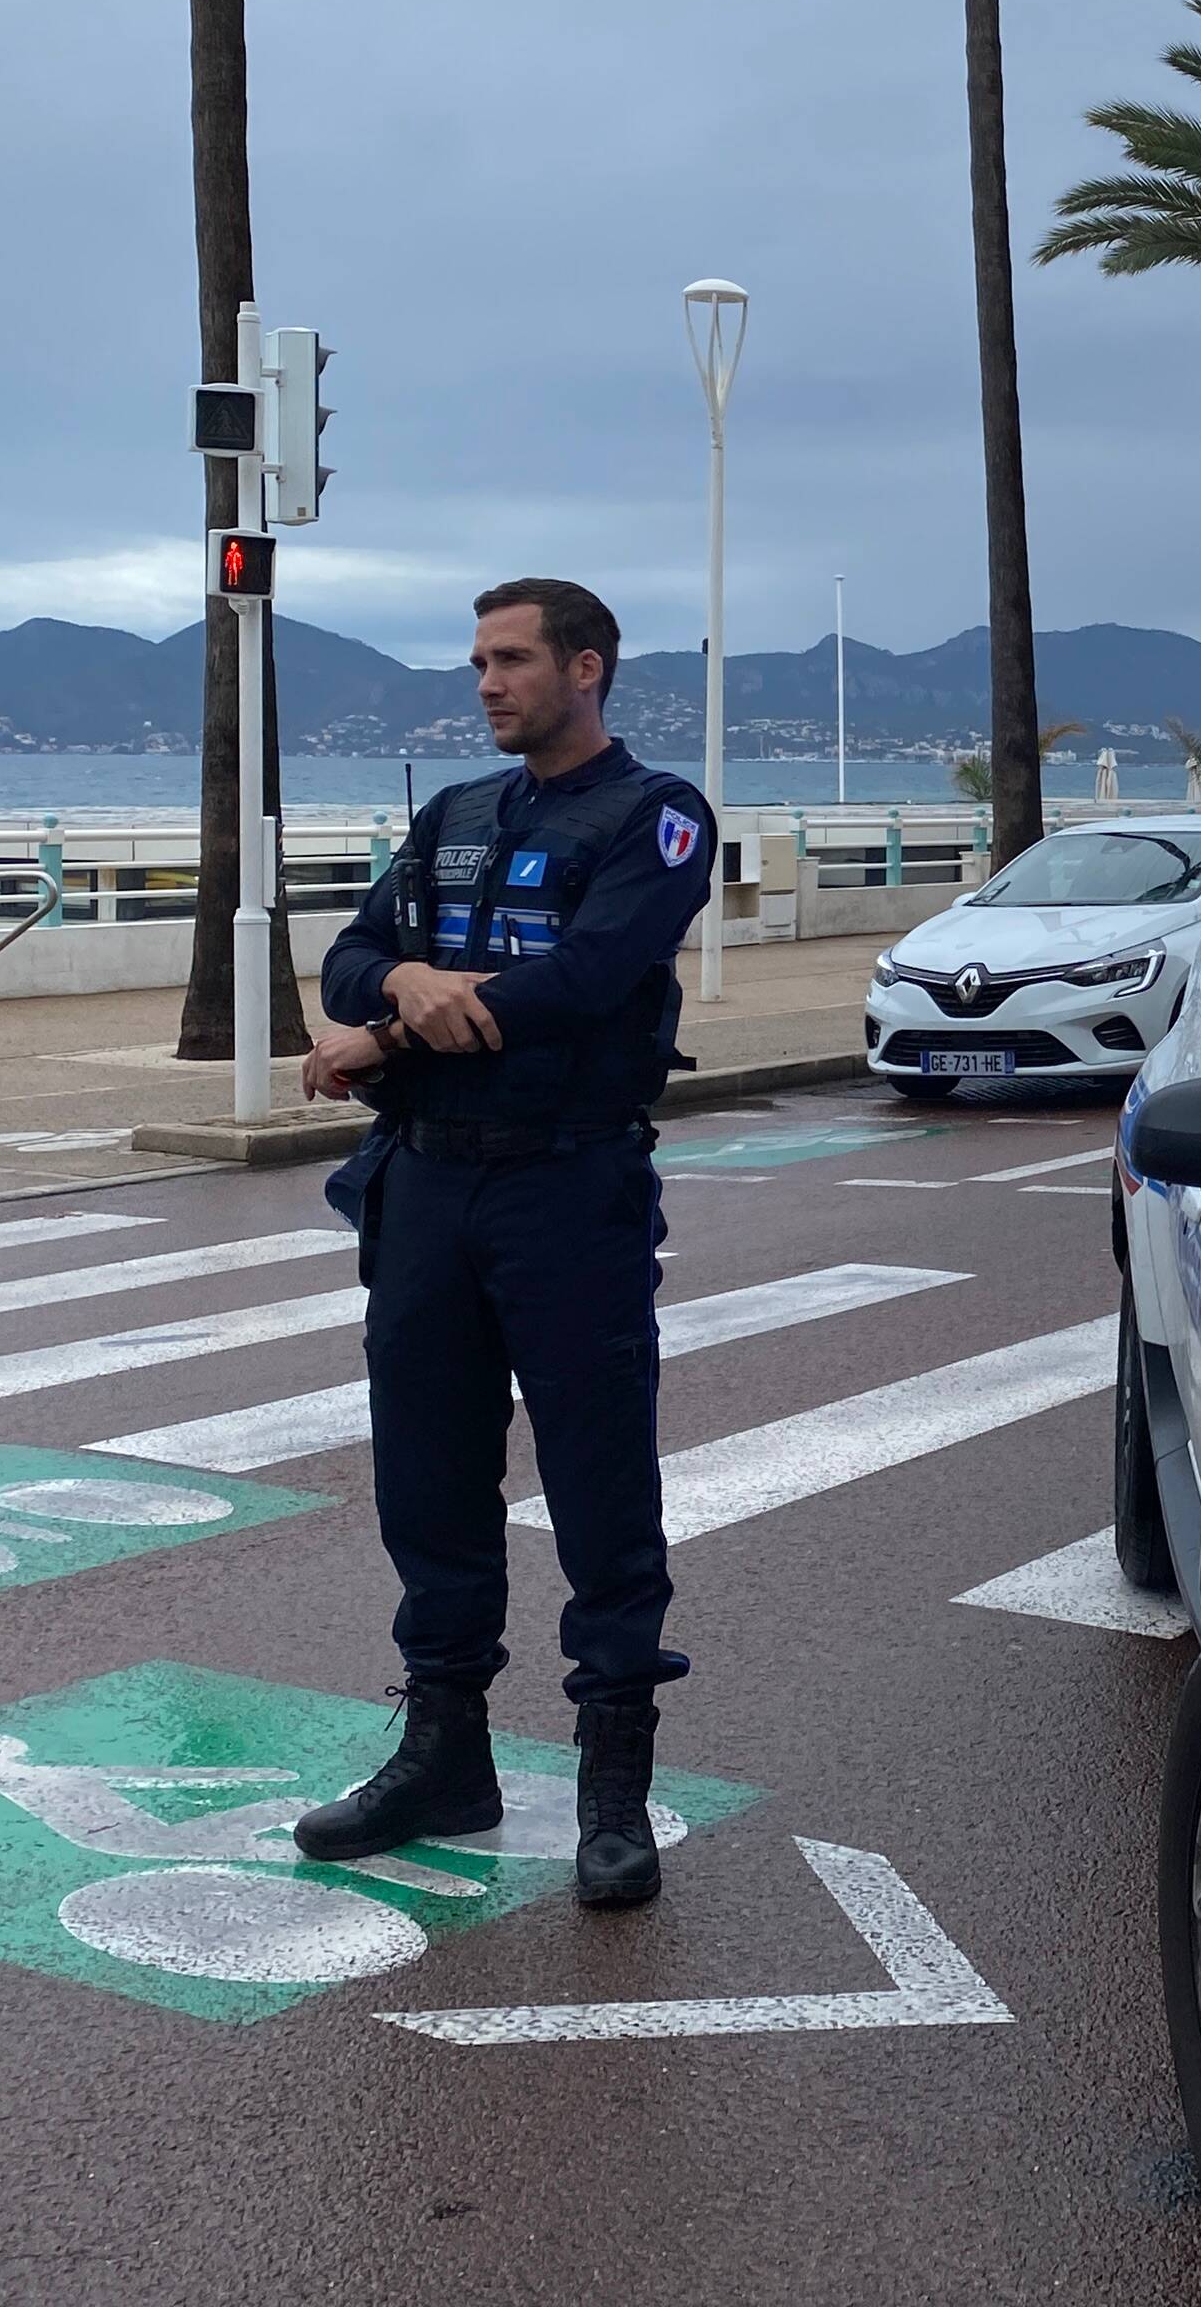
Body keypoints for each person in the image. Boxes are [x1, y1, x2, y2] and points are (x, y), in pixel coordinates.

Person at [286, 580, 712, 1906]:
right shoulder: (455, 816)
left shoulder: (659, 817)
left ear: (588, 669)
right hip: (425, 1188)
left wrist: (386, 1031)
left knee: (597, 1483)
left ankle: (613, 1784)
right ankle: (443, 1752)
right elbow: (353, 955)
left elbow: (586, 979)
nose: (487, 683)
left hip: (565, 1188)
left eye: (512, 660)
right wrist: (405, 986)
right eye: (477, 661)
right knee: (428, 1478)